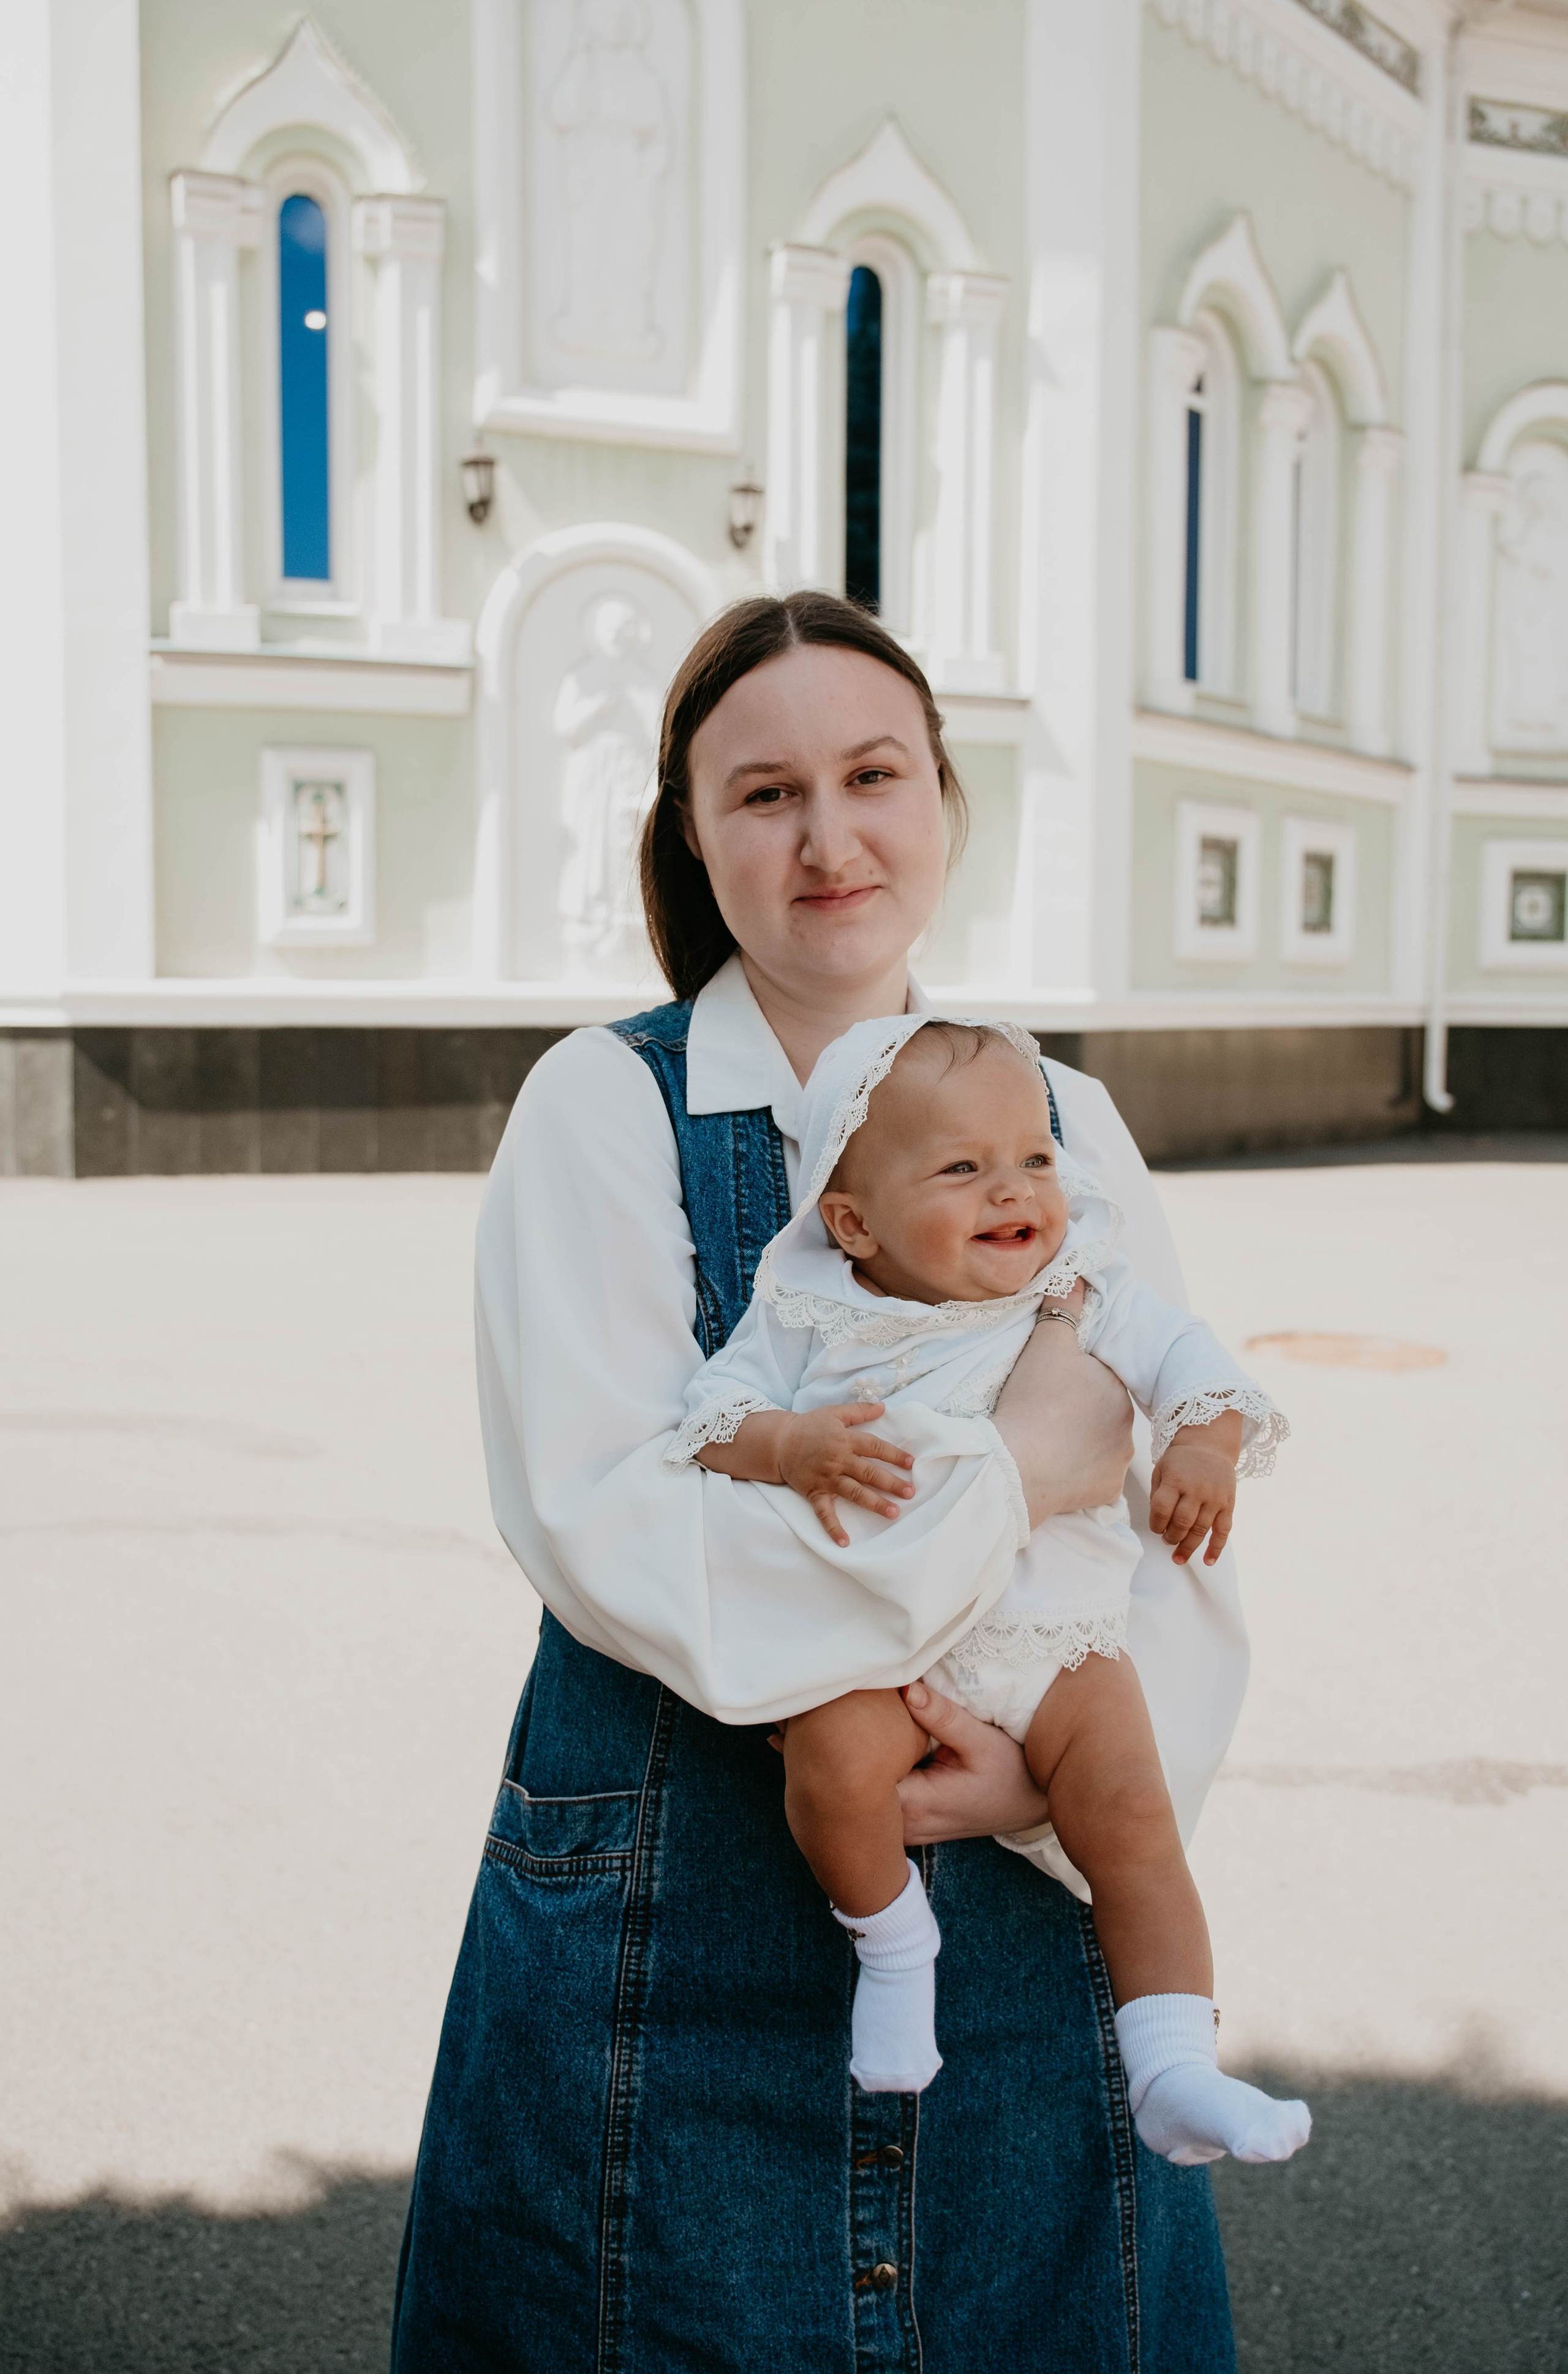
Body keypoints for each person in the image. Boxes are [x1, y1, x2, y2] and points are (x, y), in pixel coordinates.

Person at [391, 592, 1247, 2372]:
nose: (830, 834)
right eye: (764, 792)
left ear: (943, 799)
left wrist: (1050, 1768)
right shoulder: (601, 1109)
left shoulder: (1070, 1124)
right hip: (670, 1926)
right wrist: (1003, 1480)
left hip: (1023, 1909)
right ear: (694, 840)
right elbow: (617, 1525)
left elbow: (1169, 1536)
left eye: (874, 774)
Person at [670, 1011, 1308, 2171]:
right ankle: (894, 1945)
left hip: (1057, 1647)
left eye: (1035, 1158)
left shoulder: (1083, 1291)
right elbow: (711, 1422)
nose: (1013, 1189)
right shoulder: (812, 1311)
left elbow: (1196, 1368)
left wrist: (1204, 1450)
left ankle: (1174, 2066)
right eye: (962, 1168)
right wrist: (789, 1446)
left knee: (1134, 1819)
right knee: (831, 1772)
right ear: (852, 1220)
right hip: (882, 1644)